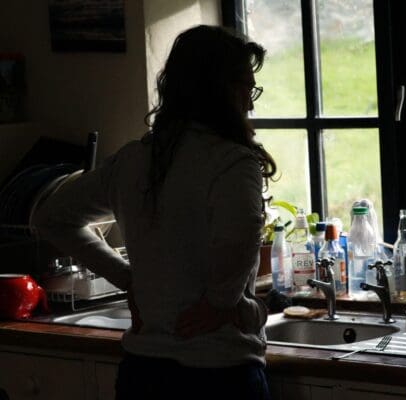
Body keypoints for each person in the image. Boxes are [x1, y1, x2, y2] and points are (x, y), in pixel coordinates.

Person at [33, 25, 276, 399]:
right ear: (219, 89)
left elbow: (51, 217)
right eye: (246, 85)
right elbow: (241, 235)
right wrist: (225, 303)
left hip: (142, 373)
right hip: (218, 375)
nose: (251, 101)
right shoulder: (232, 162)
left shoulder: (133, 160)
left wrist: (129, 279)